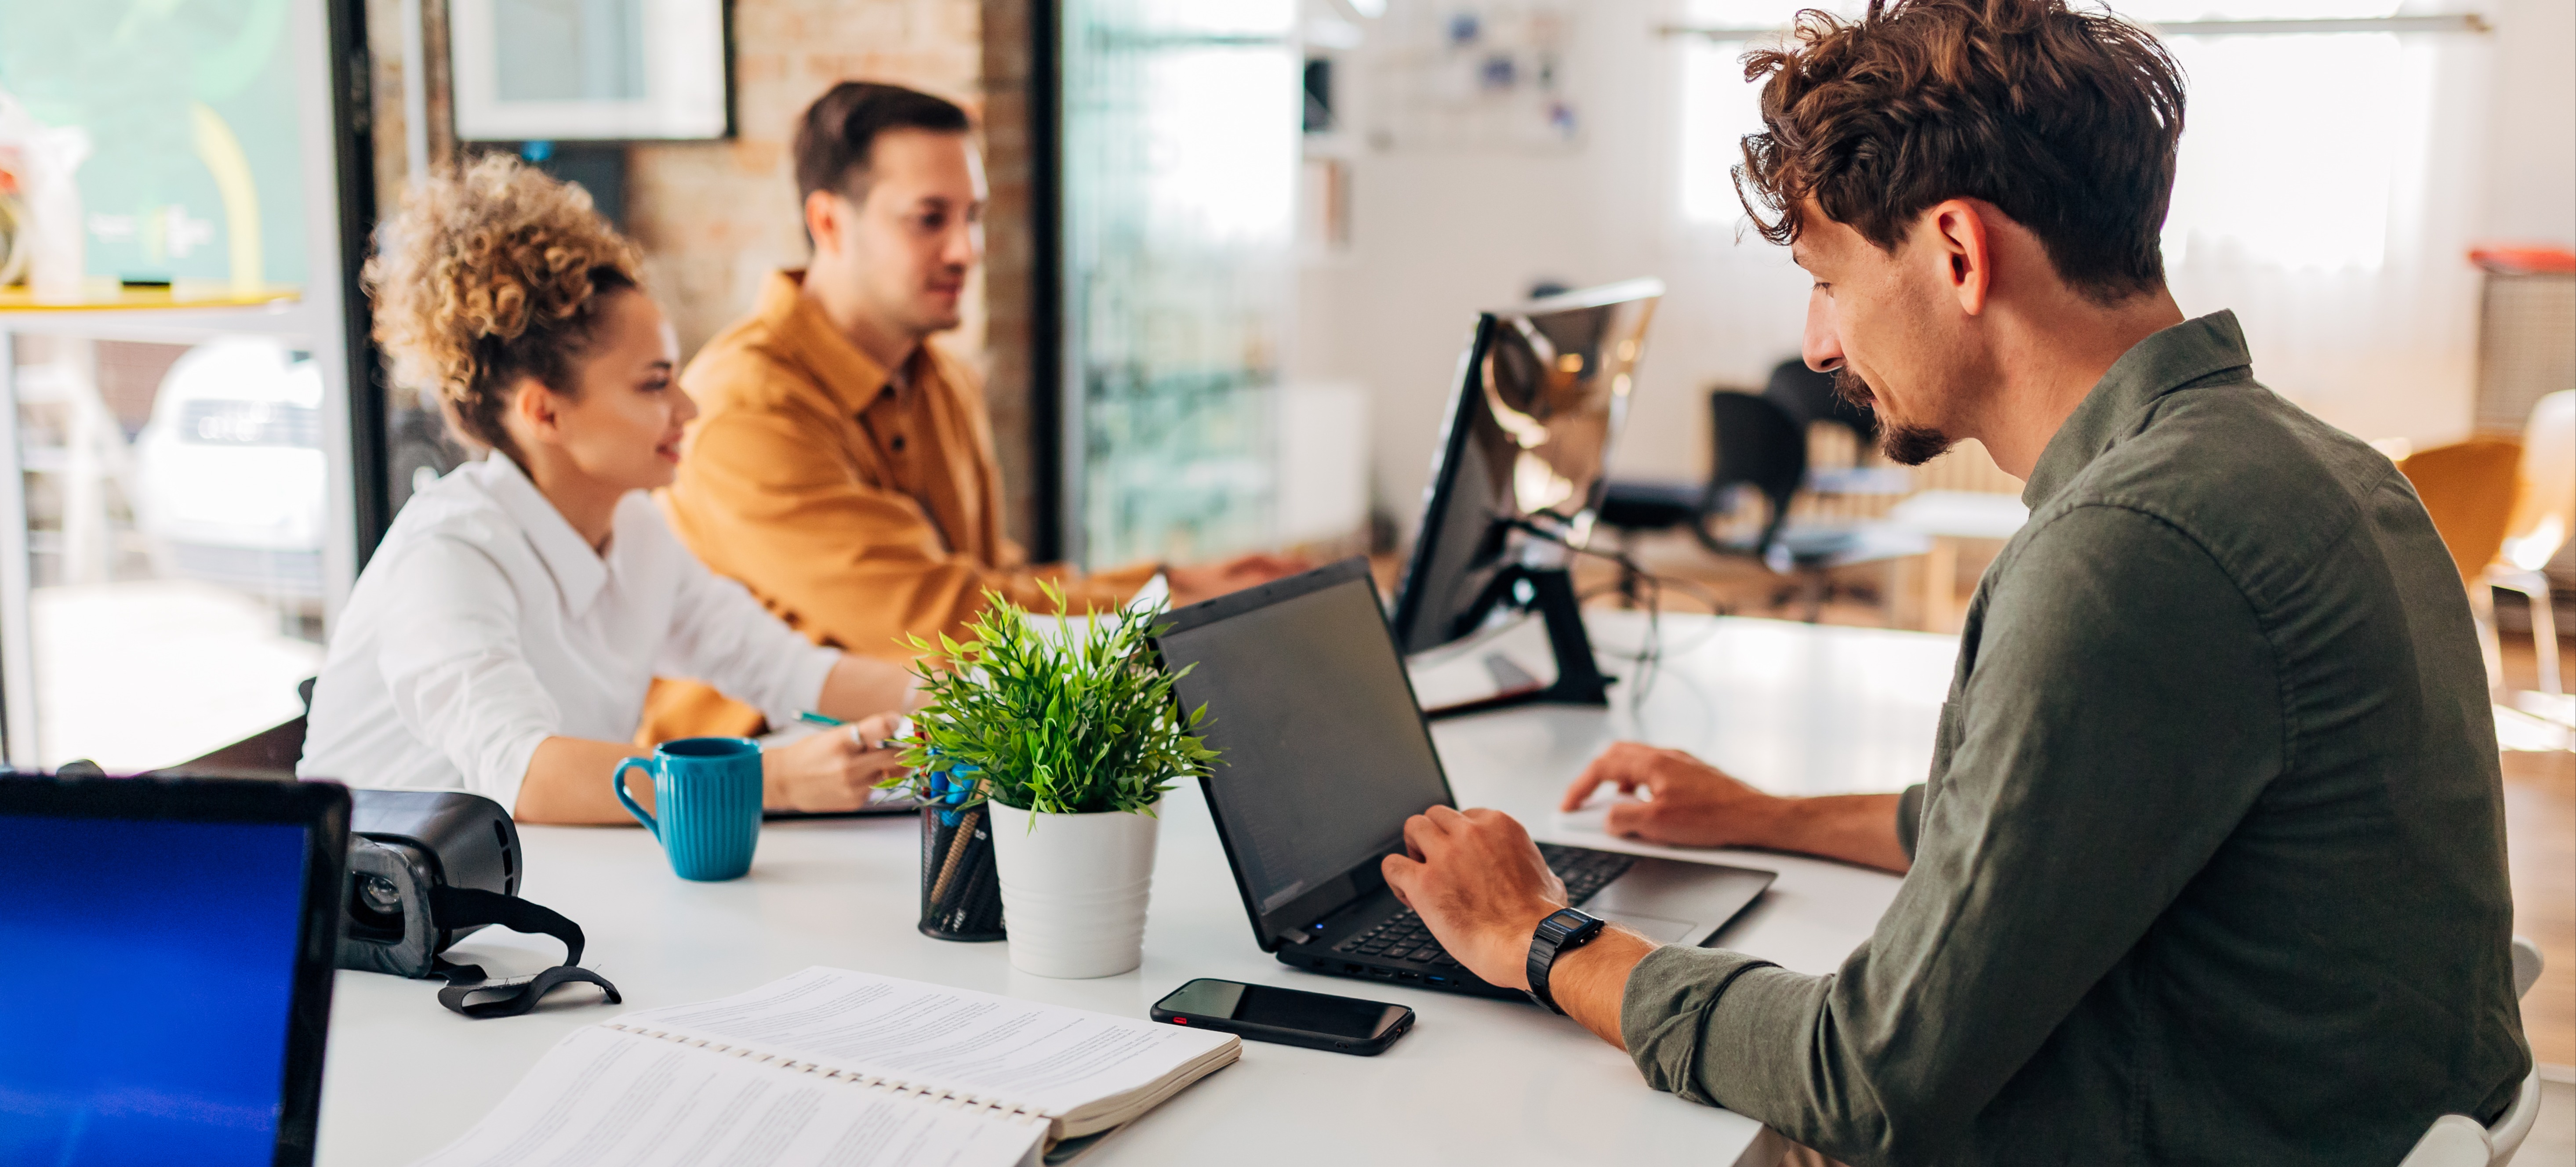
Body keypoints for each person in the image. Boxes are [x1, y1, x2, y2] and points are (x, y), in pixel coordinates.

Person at [1376, 0, 2531, 1163]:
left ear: (1958, 254)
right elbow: (2030, 832)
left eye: (1826, 278)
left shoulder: (2128, 550)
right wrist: (1756, 817)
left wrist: (1539, 935)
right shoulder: (2308, 468)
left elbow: (1867, 1077)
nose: (1819, 343)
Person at [643, 82, 1303, 741]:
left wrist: (1171, 581)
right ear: (828, 224)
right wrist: (1167, 609)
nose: (967, 250)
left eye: (974, 216)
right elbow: (945, 619)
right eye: (929, 219)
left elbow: (990, 585)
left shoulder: (939, 378)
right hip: (764, 797)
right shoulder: (743, 408)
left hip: (925, 763)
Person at [299, 157, 917, 825]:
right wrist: (777, 779)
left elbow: (790, 672)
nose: (689, 408)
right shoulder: (448, 556)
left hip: (536, 882)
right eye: (654, 385)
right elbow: (528, 774)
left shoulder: (637, 532)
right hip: (379, 913)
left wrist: (983, 699)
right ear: (544, 414)